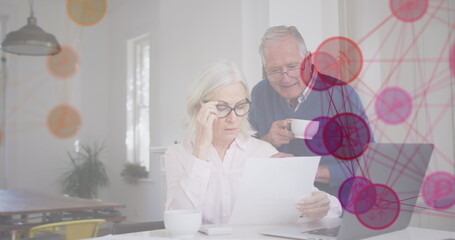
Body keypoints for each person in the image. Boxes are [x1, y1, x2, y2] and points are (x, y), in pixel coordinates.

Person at [164, 59, 341, 224]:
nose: (233, 118)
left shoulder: (263, 152)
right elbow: (178, 222)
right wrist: (201, 148)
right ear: (199, 107)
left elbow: (333, 208)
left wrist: (320, 206)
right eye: (222, 107)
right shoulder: (177, 155)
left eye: (240, 106)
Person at [249, 26, 374, 197]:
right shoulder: (260, 93)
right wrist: (267, 140)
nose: (285, 78)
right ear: (265, 70)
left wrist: (311, 172)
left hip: (334, 208)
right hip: (278, 204)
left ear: (308, 60)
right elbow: (242, 154)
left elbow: (369, 166)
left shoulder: (342, 95)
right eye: (275, 70)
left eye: (292, 66)